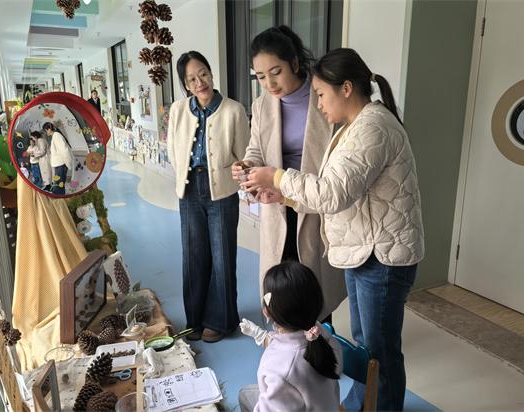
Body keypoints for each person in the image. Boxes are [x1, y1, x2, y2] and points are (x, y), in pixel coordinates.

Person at [242, 48, 425, 411]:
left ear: (346, 88)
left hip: (382, 255)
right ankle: (363, 402)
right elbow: (337, 193)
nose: (320, 104)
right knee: (366, 346)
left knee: (380, 352)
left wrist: (276, 176)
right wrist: (284, 197)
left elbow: (332, 192)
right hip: (365, 249)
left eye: (322, 94)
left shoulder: (372, 127)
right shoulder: (352, 128)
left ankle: (381, 406)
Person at [231, 25, 346, 323]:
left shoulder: (323, 98)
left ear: (295, 63)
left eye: (276, 72)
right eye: (260, 76)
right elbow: (256, 150)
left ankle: (318, 342)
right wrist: (246, 166)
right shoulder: (262, 106)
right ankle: (287, 345)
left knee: (314, 287)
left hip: (314, 204)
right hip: (277, 204)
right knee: (282, 284)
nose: (269, 83)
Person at [167, 51, 250, 343]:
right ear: (185, 84)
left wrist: (240, 170)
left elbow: (245, 154)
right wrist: (184, 174)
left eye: (203, 73)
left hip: (222, 191)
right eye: (191, 79)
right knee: (193, 256)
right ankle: (195, 320)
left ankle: (221, 320)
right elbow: (172, 149)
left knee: (222, 256)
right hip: (189, 189)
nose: (199, 82)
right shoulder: (178, 110)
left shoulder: (233, 110)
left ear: (211, 73)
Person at [238, 261, 342, 412]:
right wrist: (261, 336)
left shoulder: (281, 370)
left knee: (244, 394)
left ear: (267, 312)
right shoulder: (319, 333)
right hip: (326, 405)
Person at [43, 122, 73, 195]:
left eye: (45, 131)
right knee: (59, 185)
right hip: (59, 165)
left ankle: (58, 199)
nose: (45, 133)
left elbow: (64, 151)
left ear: (49, 129)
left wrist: (68, 164)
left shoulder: (57, 136)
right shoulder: (55, 136)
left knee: (58, 187)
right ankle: (59, 198)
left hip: (61, 165)